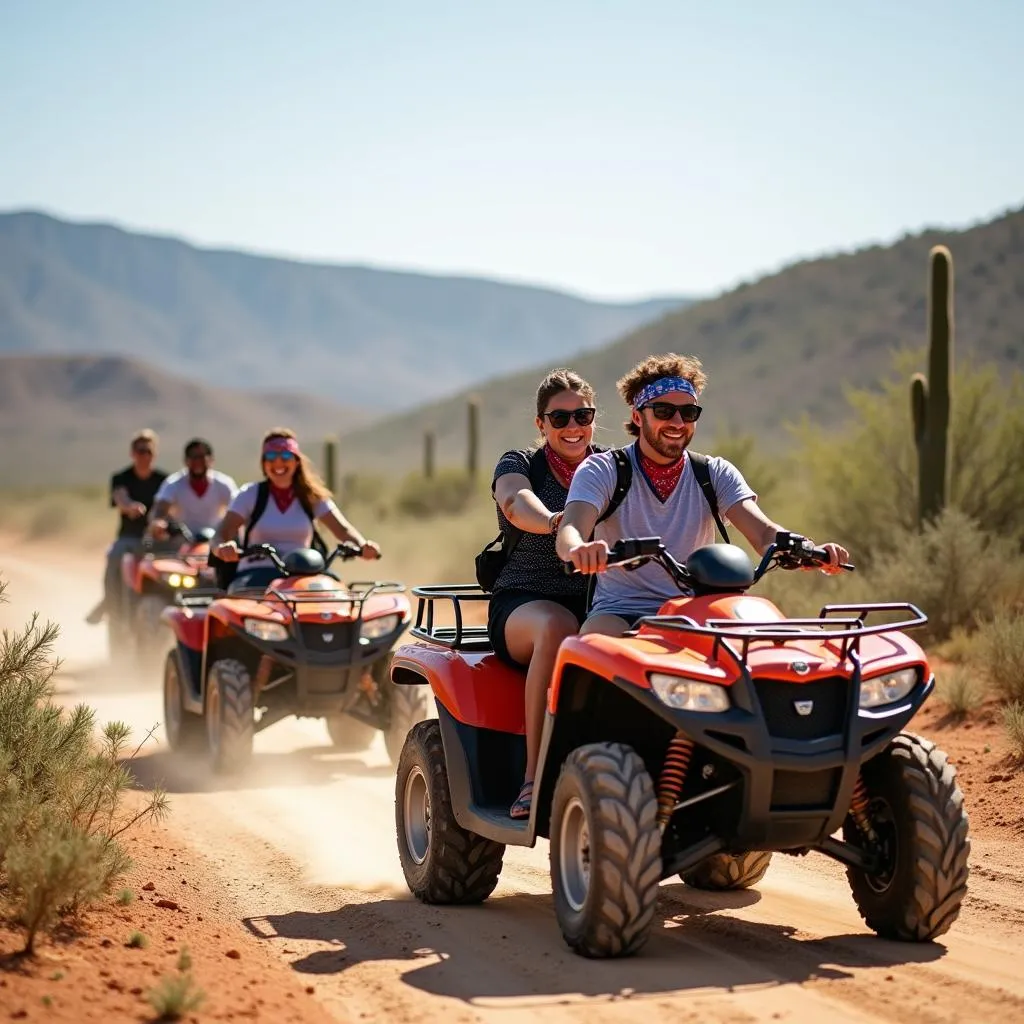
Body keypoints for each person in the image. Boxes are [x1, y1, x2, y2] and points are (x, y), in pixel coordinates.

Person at [556, 353, 850, 632]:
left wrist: (810, 549)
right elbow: (570, 530)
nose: (677, 422)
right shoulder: (603, 469)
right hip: (622, 610)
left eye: (689, 412)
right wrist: (579, 549)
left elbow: (763, 534)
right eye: (663, 411)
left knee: (760, 654)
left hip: (698, 610)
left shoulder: (714, 472)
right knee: (598, 647)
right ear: (637, 416)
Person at [487, 369, 605, 820]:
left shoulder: (611, 466)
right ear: (541, 424)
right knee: (558, 628)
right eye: (560, 419)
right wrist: (560, 523)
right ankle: (533, 778)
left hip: (600, 602)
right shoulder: (520, 463)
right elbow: (517, 504)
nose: (573, 427)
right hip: (525, 602)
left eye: (583, 415)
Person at [211, 427, 380, 591]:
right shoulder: (250, 494)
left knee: (336, 597)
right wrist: (222, 548)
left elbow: (342, 530)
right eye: (271, 456)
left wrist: (363, 545)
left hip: (305, 574)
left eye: (285, 455)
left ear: (296, 461)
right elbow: (223, 532)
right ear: (263, 463)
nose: (278, 462)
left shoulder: (311, 497)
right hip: (257, 574)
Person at [86, 429, 169, 624]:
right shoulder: (121, 478)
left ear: (154, 454)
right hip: (130, 537)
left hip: (158, 539)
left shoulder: (164, 480)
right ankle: (108, 603)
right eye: (140, 451)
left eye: (148, 451)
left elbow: (171, 504)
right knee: (115, 557)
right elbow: (120, 498)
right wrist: (130, 506)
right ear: (132, 453)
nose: (144, 455)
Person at [147, 437, 238, 540]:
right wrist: (158, 522)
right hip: (182, 545)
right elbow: (160, 508)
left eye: (201, 457)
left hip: (215, 543)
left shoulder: (224, 484)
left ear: (211, 460)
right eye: (193, 457)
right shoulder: (173, 484)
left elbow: (238, 509)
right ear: (185, 461)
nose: (198, 461)